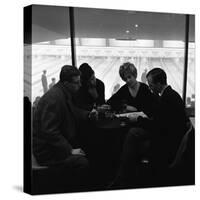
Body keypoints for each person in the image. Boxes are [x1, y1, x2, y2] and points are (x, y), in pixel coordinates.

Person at [110, 68, 189, 187]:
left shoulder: (167, 98)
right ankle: (127, 174)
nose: (149, 87)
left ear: (158, 84)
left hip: (166, 140)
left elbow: (157, 126)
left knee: (132, 135)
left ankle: (123, 176)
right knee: (132, 134)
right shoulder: (169, 95)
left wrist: (138, 119)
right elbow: (160, 120)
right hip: (168, 134)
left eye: (151, 85)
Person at [33, 65, 98, 188]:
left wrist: (88, 115)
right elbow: (49, 131)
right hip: (47, 152)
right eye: (76, 83)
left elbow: (72, 110)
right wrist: (70, 150)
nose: (80, 85)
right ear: (66, 82)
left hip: (55, 145)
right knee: (82, 162)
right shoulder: (55, 98)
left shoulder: (63, 92)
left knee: (90, 145)